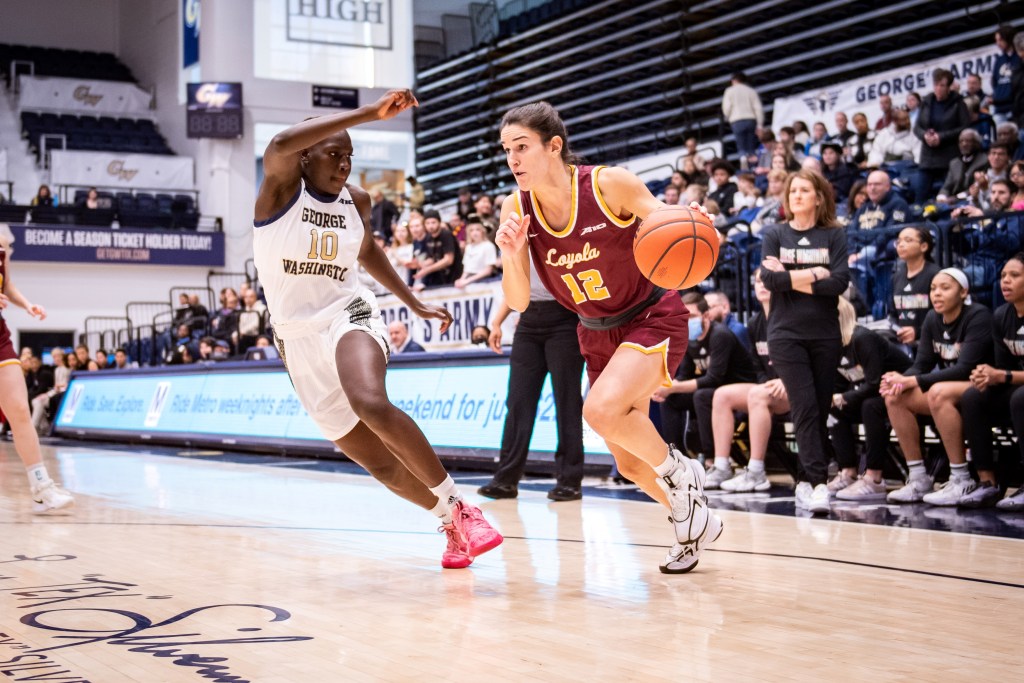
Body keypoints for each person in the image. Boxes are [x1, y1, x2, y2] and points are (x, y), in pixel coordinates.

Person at [252, 89, 502, 568]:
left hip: (349, 311)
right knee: (379, 464)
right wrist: (371, 114)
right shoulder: (281, 190)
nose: (344, 164)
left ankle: (462, 506)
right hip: (295, 336)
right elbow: (281, 141)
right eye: (333, 153)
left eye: (350, 155)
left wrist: (415, 303)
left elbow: (366, 252)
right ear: (306, 157)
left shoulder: (357, 200)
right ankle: (448, 522)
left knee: (369, 401)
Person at [496, 101, 722, 573]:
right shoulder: (515, 207)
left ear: (553, 146)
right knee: (630, 464)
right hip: (594, 332)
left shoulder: (607, 185)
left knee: (597, 410)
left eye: (522, 147)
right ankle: (694, 520)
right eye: (506, 151)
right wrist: (511, 253)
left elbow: (670, 222)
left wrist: (695, 219)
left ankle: (685, 473)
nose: (513, 159)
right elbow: (518, 301)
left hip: (650, 316)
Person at [760, 169, 850, 515]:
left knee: (818, 407)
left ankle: (803, 479)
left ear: (819, 197)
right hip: (785, 335)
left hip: (826, 334)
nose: (796, 195)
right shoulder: (775, 233)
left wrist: (789, 276)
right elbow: (770, 280)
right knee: (806, 406)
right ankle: (819, 482)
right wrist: (815, 273)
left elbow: (839, 282)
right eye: (792, 190)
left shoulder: (833, 235)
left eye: (804, 190)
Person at [883, 268, 993, 504]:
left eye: (945, 288)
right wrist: (900, 380)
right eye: (933, 289)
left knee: (938, 392)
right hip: (952, 390)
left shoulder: (978, 316)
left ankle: (961, 479)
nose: (937, 294)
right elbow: (921, 364)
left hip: (983, 387)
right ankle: (919, 478)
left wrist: (913, 380)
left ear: (963, 292)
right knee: (895, 396)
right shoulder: (933, 318)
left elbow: (966, 368)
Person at [477, 283, 586, 501]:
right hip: (527, 321)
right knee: (517, 404)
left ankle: (570, 481)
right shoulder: (517, 248)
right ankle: (505, 480)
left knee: (567, 403)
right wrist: (496, 323)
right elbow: (514, 288)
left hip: (565, 319)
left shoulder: (564, 248)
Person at [654, 292, 758, 489]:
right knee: (670, 399)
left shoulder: (721, 336)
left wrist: (674, 387)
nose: (687, 322)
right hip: (714, 390)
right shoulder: (687, 338)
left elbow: (714, 378)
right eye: (684, 318)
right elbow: (685, 375)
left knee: (702, 396)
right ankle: (676, 462)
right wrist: (667, 387)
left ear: (706, 316)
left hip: (740, 389)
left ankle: (713, 462)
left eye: (692, 317)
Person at [0, 235, 73, 511]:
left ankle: (42, 488)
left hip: (0, 338)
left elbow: (7, 285)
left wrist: (27, 304)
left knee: (19, 410)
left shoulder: (1, 247)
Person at [828, 298, 912, 502]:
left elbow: (874, 383)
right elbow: (840, 385)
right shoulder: (833, 345)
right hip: (874, 392)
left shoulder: (862, 338)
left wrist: (841, 397)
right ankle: (848, 472)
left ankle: (874, 478)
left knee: (870, 406)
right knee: (833, 410)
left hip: (903, 393)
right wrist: (832, 398)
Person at [716, 269, 789, 493]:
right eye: (757, 281)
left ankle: (756, 472)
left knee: (757, 395)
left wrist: (786, 380)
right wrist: (766, 381)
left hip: (797, 386)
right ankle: (721, 466)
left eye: (767, 280)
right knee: (722, 395)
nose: (762, 285)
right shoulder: (756, 322)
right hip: (770, 386)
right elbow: (757, 364)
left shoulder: (792, 317)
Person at [962, 254, 1024, 509]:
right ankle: (987, 483)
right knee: (972, 396)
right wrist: (986, 375)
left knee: (1022, 398)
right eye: (1002, 276)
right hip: (1016, 386)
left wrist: (1003, 376)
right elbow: (1003, 369)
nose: (1005, 281)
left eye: (1015, 276)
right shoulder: (1001, 315)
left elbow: (1006, 375)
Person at [913, 68, 970, 203]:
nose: (938, 88)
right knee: (920, 196)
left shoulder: (958, 103)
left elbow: (964, 127)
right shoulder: (926, 102)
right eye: (936, 85)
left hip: (948, 156)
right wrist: (925, 136)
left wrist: (941, 137)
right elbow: (917, 127)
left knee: (949, 195)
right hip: (928, 157)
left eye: (942, 85)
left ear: (949, 87)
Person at [889, 226, 941, 349]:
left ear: (924, 246)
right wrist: (897, 330)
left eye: (908, 240)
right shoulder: (896, 277)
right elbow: (892, 314)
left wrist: (917, 332)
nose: (901, 245)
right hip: (902, 340)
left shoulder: (936, 274)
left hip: (931, 341)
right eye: (899, 241)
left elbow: (943, 315)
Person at [721, 72, 763, 168]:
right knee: (750, 144)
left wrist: (727, 116)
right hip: (750, 119)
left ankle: (743, 159)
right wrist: (760, 124)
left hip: (736, 120)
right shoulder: (751, 91)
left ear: (734, 80)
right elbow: (758, 108)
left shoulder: (729, 91)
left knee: (741, 144)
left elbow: (726, 107)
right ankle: (752, 162)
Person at [453, 220, 498, 288]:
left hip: (485, 281)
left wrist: (468, 281)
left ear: (482, 231)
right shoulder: (469, 247)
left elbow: (488, 270)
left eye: (477, 229)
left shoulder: (488, 246)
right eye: (471, 230)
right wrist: (461, 280)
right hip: (470, 280)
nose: (475, 233)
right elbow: (467, 268)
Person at [991, 25, 1020, 124]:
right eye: (996, 40)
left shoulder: (1019, 58)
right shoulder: (999, 60)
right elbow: (994, 82)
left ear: (1008, 38)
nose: (998, 43)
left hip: (1015, 109)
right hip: (999, 109)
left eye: (1000, 40)